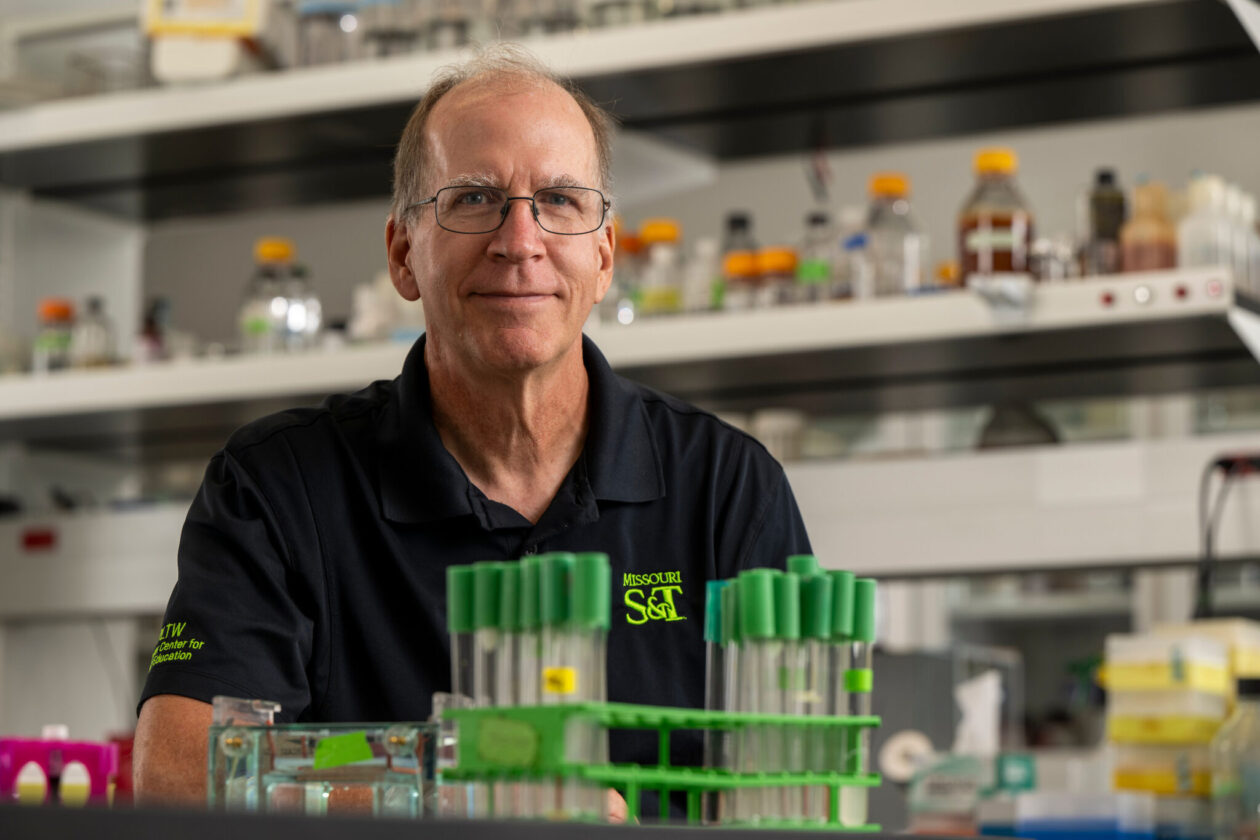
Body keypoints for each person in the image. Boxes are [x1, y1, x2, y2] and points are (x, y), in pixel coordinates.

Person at [133, 44, 811, 813]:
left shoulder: (725, 486)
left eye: (559, 200)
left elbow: (789, 792)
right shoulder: (278, 487)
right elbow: (177, 777)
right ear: (402, 255)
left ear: (604, 256)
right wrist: (463, 793)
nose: (520, 241)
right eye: (474, 198)